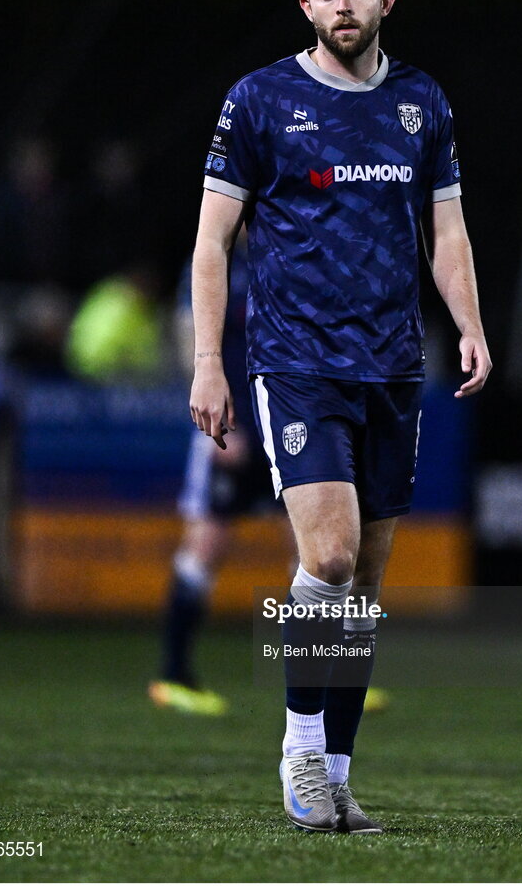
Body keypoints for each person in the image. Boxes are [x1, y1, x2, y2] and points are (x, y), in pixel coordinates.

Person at [189, 0, 491, 834]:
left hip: (394, 367)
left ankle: (338, 774)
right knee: (324, 556)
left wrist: (470, 323)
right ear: (306, 5)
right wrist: (210, 360)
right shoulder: (261, 100)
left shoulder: (421, 105)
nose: (342, 5)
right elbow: (212, 240)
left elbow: (446, 233)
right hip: (297, 362)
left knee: (361, 585)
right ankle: (298, 752)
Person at [149, 232, 390, 717]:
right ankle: (173, 675)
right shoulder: (212, 261)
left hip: (288, 424)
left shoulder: (293, 256)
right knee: (206, 547)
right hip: (230, 429)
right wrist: (211, 417)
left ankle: (329, 677)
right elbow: (188, 337)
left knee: (317, 552)